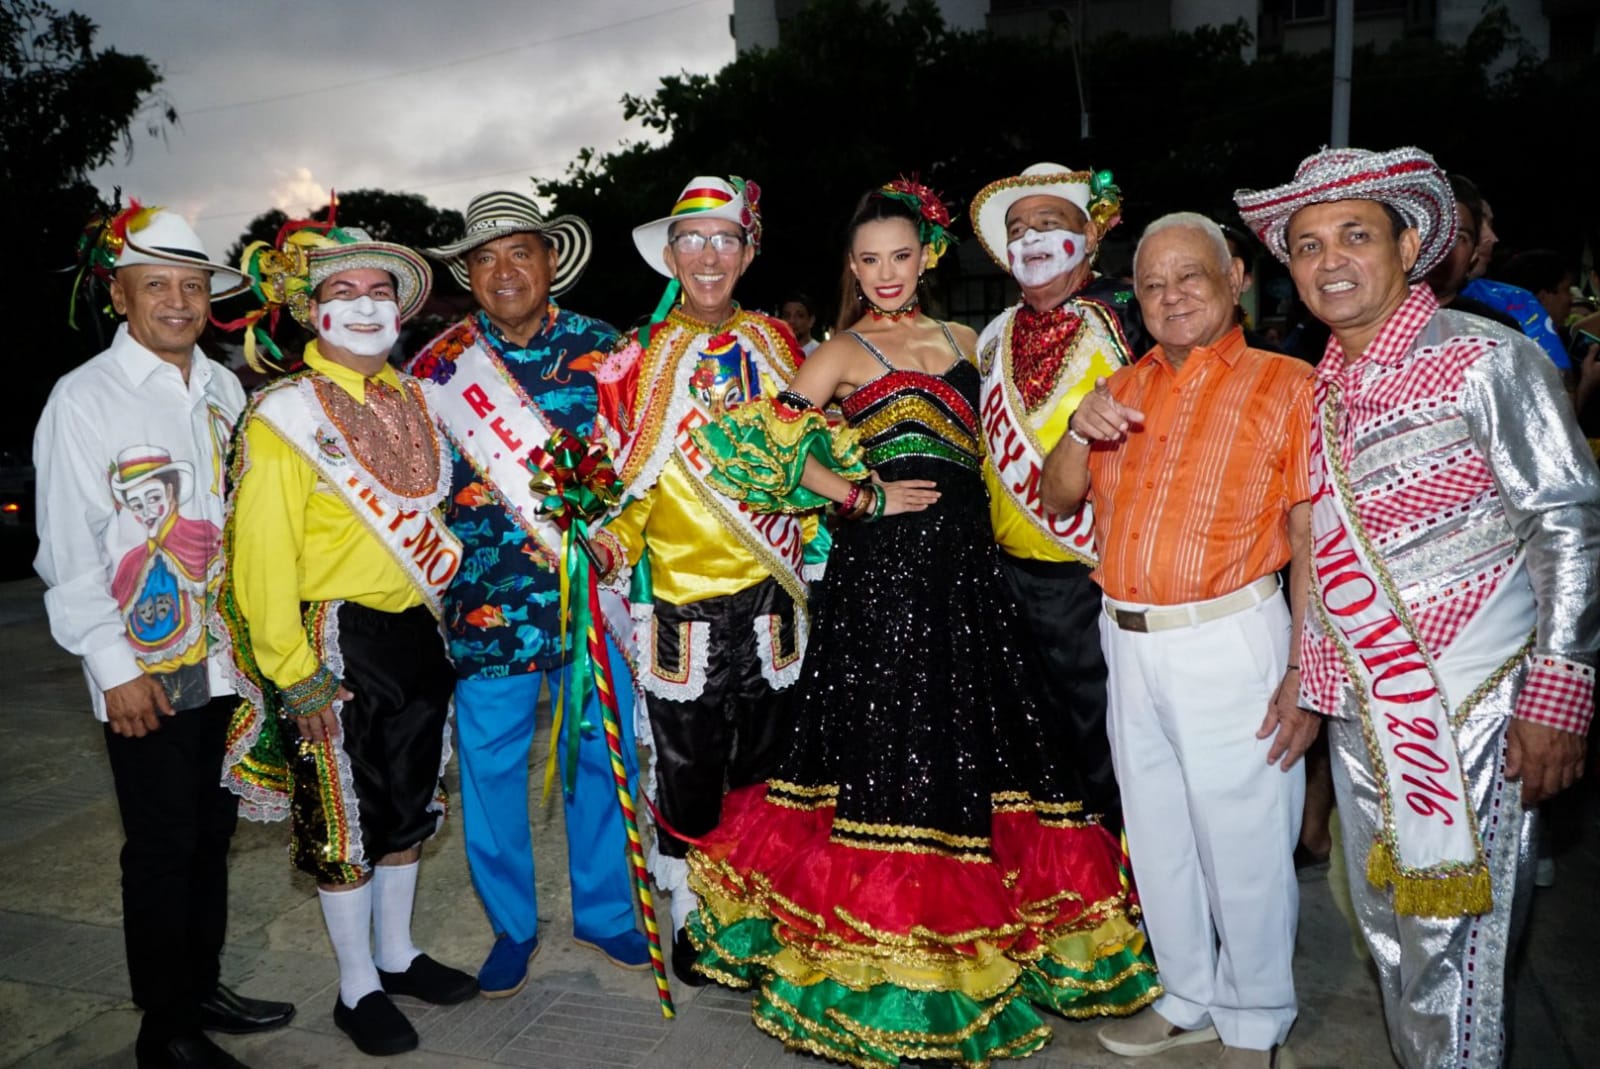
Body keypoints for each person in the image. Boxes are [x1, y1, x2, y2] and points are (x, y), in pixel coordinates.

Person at [682, 180, 1160, 1067]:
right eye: (868, 260)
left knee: (976, 745)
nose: (886, 273)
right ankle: (894, 953)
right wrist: (859, 496)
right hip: (884, 581)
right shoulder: (837, 351)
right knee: (888, 748)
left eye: (900, 256)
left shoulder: (965, 341)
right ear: (851, 269)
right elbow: (744, 446)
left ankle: (986, 939)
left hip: (973, 577)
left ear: (927, 256)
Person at [1235, 146, 1600, 1069]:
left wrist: (1560, 692)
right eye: (1308, 245)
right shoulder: (1323, 385)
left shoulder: (1487, 358)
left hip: (1473, 708)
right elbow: (1319, 542)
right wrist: (1313, 684)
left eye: (1355, 235)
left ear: (1410, 243)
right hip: (1368, 708)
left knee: (1452, 950)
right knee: (1392, 935)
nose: (1329, 262)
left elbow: (1567, 519)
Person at [1040, 212, 1317, 1069]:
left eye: (1189, 276)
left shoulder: (1291, 382)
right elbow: (1056, 501)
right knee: (1157, 832)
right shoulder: (1122, 386)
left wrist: (1307, 671)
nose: (1170, 296)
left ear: (1235, 274)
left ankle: (1257, 1013)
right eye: (1152, 284)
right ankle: (1188, 991)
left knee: (1244, 836)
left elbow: (1312, 537)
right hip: (1126, 639)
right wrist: (1077, 431)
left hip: (1231, 635)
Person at [34, 204, 294, 1069]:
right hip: (147, 663)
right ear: (120, 294)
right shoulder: (82, 399)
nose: (179, 302)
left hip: (225, 658)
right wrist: (112, 668)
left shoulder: (222, 385)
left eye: (192, 286)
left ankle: (200, 984)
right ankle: (164, 1026)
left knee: (211, 833)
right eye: (159, 287)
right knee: (161, 843)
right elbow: (67, 547)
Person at [217, 223, 478, 1058]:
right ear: (309, 313)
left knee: (406, 807)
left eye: (379, 291)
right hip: (335, 639)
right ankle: (355, 983)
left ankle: (398, 955)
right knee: (347, 820)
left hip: (415, 633)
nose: (365, 307)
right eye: (342, 292)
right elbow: (259, 558)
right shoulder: (283, 414)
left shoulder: (416, 400)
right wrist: (294, 675)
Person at [411, 191, 648, 996]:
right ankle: (512, 926)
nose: (504, 270)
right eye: (485, 257)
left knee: (599, 764)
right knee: (490, 775)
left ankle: (608, 913)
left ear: (552, 260)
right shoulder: (436, 371)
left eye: (521, 252)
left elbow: (641, 476)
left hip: (590, 609)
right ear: (469, 274)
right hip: (484, 614)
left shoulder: (607, 350)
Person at [588, 175, 812, 985]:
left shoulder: (781, 348)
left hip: (775, 596)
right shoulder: (633, 362)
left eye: (725, 238)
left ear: (748, 252)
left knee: (768, 763)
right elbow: (622, 491)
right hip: (681, 601)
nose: (709, 255)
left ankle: (757, 909)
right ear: (671, 256)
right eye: (693, 239)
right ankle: (689, 910)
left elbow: (806, 464)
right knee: (687, 768)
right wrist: (607, 542)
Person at [968, 162, 1140, 826]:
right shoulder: (993, 335)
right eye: (1019, 227)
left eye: (1050, 222)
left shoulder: (1126, 317)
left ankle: (1120, 890)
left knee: (1102, 745)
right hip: (1009, 577)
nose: (1031, 237)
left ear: (1089, 237)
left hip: (1093, 575)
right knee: (1026, 747)